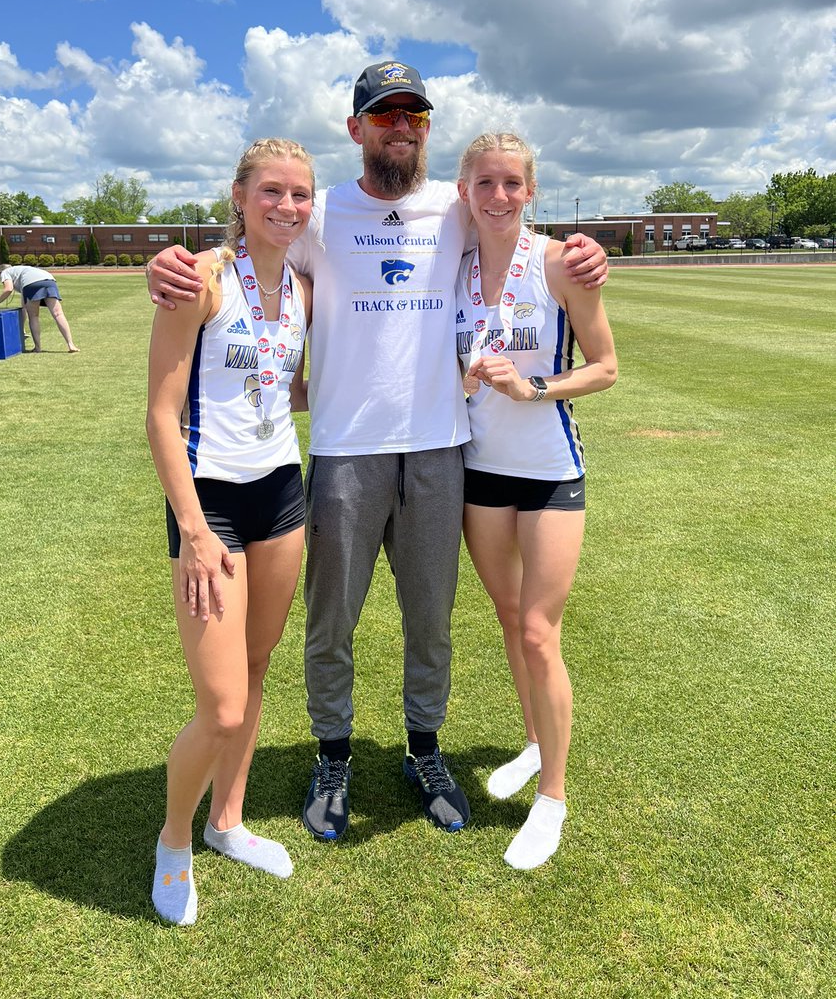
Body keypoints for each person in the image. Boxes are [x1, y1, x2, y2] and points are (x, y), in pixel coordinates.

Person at [146, 62, 608, 843]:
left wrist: (581, 251)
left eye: (415, 117)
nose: (401, 127)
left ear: (426, 131)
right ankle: (333, 756)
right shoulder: (314, 213)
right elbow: (239, 265)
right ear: (357, 128)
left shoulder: (457, 208)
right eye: (384, 115)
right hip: (344, 455)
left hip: (440, 452)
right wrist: (171, 264)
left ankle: (423, 750)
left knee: (430, 623)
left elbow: (517, 230)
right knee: (332, 625)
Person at [145, 138, 314, 925]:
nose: (287, 206)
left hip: (282, 493)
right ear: (241, 197)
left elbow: (288, 389)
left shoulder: (305, 289)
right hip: (208, 502)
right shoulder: (203, 280)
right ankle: (174, 839)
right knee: (219, 704)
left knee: (256, 664)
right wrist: (192, 529)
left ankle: (227, 822)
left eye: (300, 195)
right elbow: (160, 412)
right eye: (272, 192)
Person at [455, 132, 617, 869]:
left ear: (531, 192)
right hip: (480, 472)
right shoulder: (449, 267)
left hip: (551, 470)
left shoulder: (560, 263)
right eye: (485, 183)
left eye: (512, 184)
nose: (498, 197)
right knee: (507, 616)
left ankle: (552, 795)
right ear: (465, 190)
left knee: (539, 632)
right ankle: (530, 740)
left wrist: (536, 387)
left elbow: (606, 367)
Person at [0, 264, 79, 352]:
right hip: (49, 280)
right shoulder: (22, 270)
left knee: (34, 316)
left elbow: (8, 288)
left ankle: (37, 348)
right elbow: (23, 306)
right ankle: (71, 344)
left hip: (31, 285)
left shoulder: (5, 272)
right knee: (58, 314)